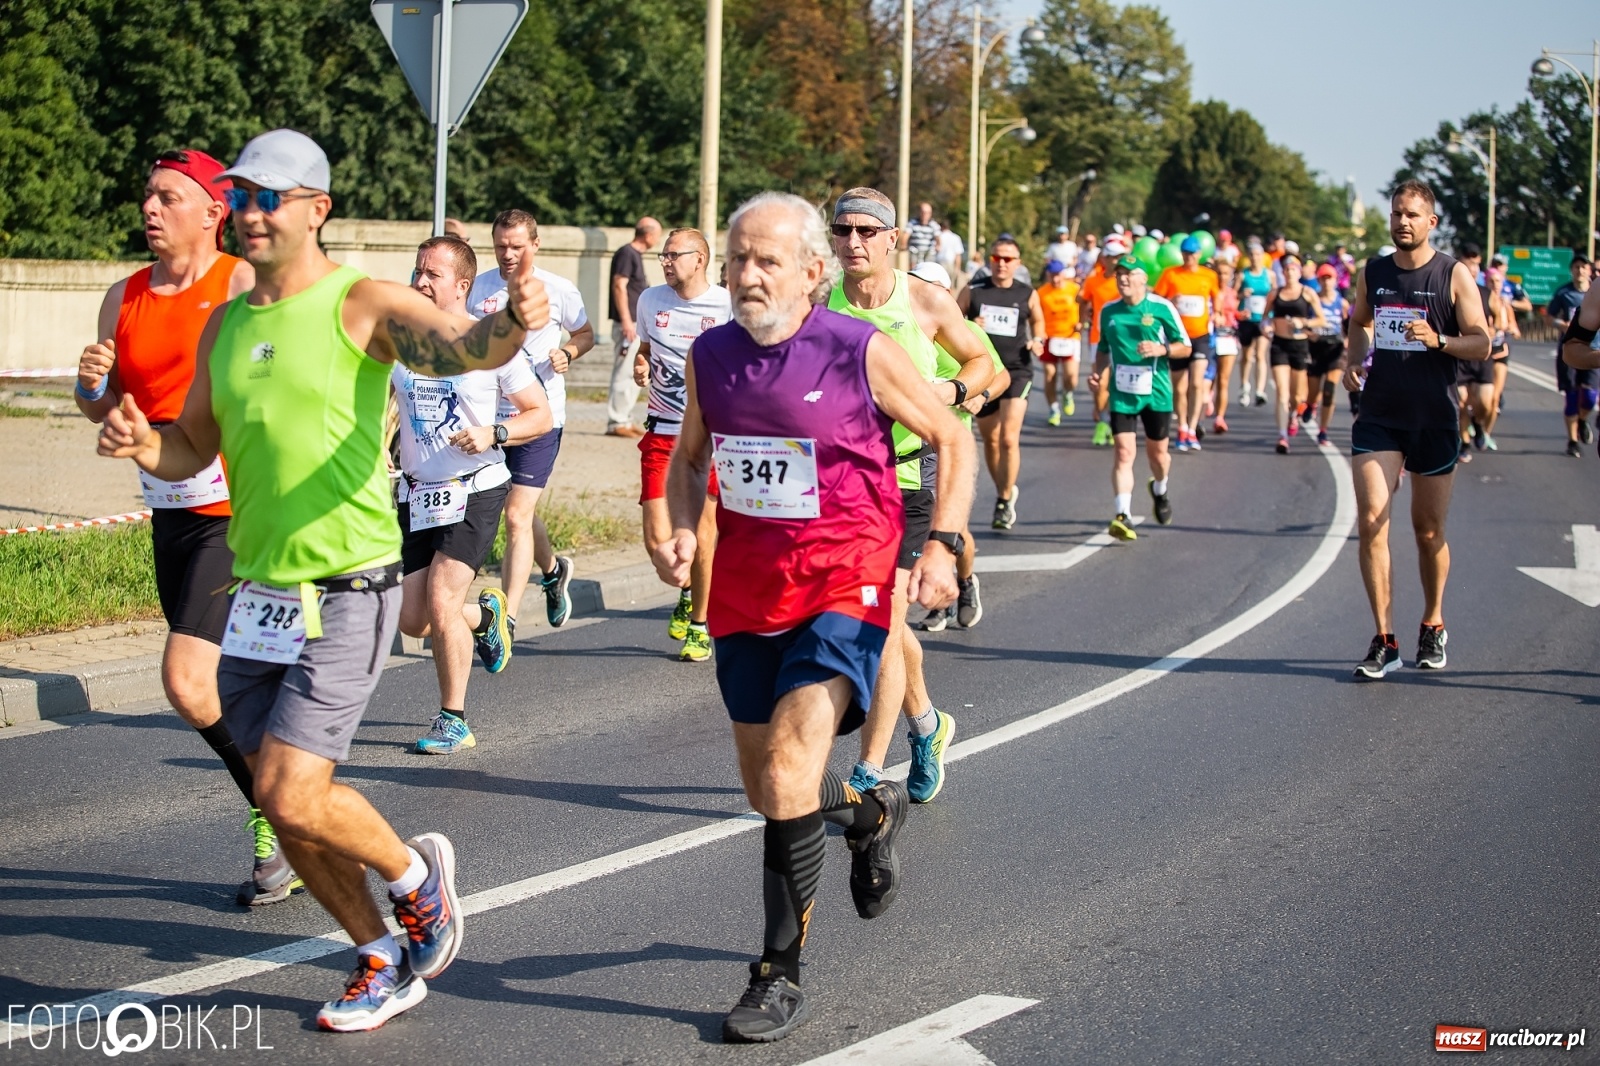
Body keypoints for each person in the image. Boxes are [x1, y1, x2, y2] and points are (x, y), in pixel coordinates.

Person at [96, 129, 551, 1030]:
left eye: (271, 197)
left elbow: (464, 349)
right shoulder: (229, 323)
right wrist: (144, 442)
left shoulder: (360, 302)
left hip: (347, 586)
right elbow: (192, 445)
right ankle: (379, 954)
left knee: (290, 790)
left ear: (316, 210)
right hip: (256, 594)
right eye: (243, 195)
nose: (252, 212)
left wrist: (514, 322)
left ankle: (415, 877)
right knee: (283, 801)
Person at [651, 191, 973, 1043]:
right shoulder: (712, 354)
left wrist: (943, 545)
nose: (748, 275)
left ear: (810, 272)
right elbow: (689, 458)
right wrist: (680, 524)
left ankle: (776, 973)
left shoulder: (857, 350)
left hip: (846, 578)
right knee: (770, 787)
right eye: (738, 260)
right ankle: (871, 814)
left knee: (793, 769)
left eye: (767, 261)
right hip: (746, 590)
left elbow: (951, 436)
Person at [73, 148, 279, 906]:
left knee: (188, 683)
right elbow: (104, 406)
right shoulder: (122, 296)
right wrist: (92, 386)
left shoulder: (242, 284)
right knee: (216, 686)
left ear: (212, 210)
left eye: (168, 196)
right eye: (147, 195)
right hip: (170, 510)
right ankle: (287, 797)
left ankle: (279, 813)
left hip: (238, 513)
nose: (150, 208)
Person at [826, 187, 998, 807]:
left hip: (906, 478)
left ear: (892, 239)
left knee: (883, 623)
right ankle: (928, 726)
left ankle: (869, 769)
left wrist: (950, 392)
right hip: (843, 481)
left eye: (867, 231)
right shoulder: (822, 304)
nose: (854, 241)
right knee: (878, 623)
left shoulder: (925, 299)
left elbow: (983, 362)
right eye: (843, 230)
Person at [396, 237, 552, 755]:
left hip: (475, 489)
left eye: (433, 274)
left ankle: (453, 719)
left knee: (442, 599)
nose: (421, 281)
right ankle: (487, 619)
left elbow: (540, 414)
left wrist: (495, 433)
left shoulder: (491, 345)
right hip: (417, 494)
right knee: (413, 619)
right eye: (418, 271)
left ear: (462, 285)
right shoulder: (402, 341)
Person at [1343, 180, 1491, 680]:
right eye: (1396, 213)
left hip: (1434, 416)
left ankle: (1433, 621)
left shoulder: (1452, 274)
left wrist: (1439, 339)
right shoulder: (1374, 272)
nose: (1402, 222)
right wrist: (1353, 361)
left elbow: (1482, 342)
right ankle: (1384, 638)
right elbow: (1360, 322)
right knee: (1371, 521)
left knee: (1428, 531)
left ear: (1431, 222)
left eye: (1411, 215)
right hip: (1380, 415)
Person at [468, 211, 594, 637]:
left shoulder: (559, 289)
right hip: (486, 420)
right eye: (500, 246)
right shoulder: (478, 288)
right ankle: (554, 571)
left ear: (535, 245)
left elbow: (585, 333)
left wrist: (568, 353)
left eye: (517, 246)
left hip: (540, 419)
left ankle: (506, 620)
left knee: (517, 515)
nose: (508, 254)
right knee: (513, 509)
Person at [632, 227, 731, 661]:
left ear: (700, 259)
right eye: (664, 256)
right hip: (662, 433)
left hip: (710, 438)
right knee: (659, 543)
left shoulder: (727, 306)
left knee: (703, 536)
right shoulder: (650, 300)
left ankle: (699, 626)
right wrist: (641, 365)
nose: (666, 262)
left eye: (674, 255)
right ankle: (688, 591)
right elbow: (644, 349)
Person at [908, 260, 1008, 633]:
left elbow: (1000, 374)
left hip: (949, 445)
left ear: (945, 293)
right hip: (910, 444)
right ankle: (939, 603)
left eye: (927, 286)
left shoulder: (965, 330)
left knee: (953, 527)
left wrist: (979, 396)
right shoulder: (900, 325)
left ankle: (965, 583)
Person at [1090, 255, 1189, 540]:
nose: (1123, 278)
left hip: (1156, 392)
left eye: (1129, 273)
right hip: (1122, 392)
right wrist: (1098, 374)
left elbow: (1185, 346)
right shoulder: (1109, 311)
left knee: (1158, 456)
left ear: (1143, 279)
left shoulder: (1161, 307)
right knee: (1123, 452)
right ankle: (1123, 514)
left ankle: (1160, 488)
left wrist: (1163, 350)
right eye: (1119, 273)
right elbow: (1103, 349)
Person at [960, 236, 1045, 530]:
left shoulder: (1027, 293)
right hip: (983, 372)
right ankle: (1003, 489)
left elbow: (1038, 322)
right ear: (990, 260)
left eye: (1008, 259)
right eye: (997, 258)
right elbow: (951, 321)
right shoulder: (974, 290)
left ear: (1017, 263)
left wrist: (1038, 340)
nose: (1002, 264)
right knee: (991, 440)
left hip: (1017, 370)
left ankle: (1004, 499)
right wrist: (970, 325)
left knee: (1008, 438)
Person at [1153, 236, 1220, 452]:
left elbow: (1216, 298)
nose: (1189, 257)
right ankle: (1182, 427)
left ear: (1199, 254)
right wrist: (1170, 302)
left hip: (1200, 336)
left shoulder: (1209, 275)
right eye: (1185, 253)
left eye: (1192, 253)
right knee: (1179, 387)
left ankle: (1192, 428)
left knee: (1197, 383)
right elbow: (1156, 300)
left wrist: (1218, 314)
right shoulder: (1171, 274)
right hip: (1177, 337)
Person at [1264, 254, 1326, 454]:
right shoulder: (1275, 293)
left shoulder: (1307, 293)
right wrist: (1266, 327)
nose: (1290, 273)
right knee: (1282, 392)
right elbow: (1265, 318)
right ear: (1283, 273)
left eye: (1293, 269)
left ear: (1299, 273)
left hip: (1299, 346)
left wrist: (1303, 322)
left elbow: (1321, 320)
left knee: (1297, 395)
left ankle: (1293, 414)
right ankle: (1282, 436)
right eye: (1287, 270)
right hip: (1279, 344)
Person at [606, 216, 661, 437]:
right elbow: (619, 286)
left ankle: (625, 420)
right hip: (628, 325)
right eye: (657, 235)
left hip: (635, 324)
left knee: (633, 372)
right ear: (648, 234)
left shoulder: (634, 255)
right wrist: (627, 321)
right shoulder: (627, 253)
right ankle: (616, 421)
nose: (658, 240)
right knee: (624, 372)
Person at [1079, 237, 1126, 445]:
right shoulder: (1093, 280)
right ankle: (1102, 422)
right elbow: (1082, 300)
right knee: (1101, 382)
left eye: (1119, 257)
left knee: (1119, 383)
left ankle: (1115, 423)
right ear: (1104, 258)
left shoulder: (1125, 281)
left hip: (1123, 340)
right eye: (1112, 257)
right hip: (1098, 338)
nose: (1115, 261)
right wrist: (1082, 320)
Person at [1548, 254, 1595, 457]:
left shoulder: (1596, 291)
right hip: (1570, 350)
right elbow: (1549, 317)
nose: (1580, 270)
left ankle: (1583, 420)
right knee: (1572, 397)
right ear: (1572, 270)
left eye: (1584, 267)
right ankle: (1572, 441)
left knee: (1590, 398)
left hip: (1594, 350)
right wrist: (1562, 325)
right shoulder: (1563, 293)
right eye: (1576, 267)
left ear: (1589, 271)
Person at [1304, 263, 1349, 446]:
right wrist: (1310, 335)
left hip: (1335, 349)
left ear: (1335, 280)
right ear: (1319, 280)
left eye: (1330, 278)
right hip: (1316, 348)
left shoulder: (1342, 303)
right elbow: (1304, 324)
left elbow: (1349, 326)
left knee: (1329, 389)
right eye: (1323, 278)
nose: (1326, 282)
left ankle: (1323, 430)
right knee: (1313, 391)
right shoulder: (1313, 301)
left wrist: (1348, 340)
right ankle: (1310, 404)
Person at [1038, 258, 1082, 426]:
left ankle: (1067, 393)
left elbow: (1085, 306)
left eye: (1058, 275)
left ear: (1063, 274)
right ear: (1048, 275)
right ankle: (1054, 409)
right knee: (1050, 375)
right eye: (1052, 275)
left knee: (1071, 377)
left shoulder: (1074, 289)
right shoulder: (1042, 293)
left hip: (1070, 337)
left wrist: (1081, 322)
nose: (1055, 279)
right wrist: (1039, 334)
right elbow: (1036, 315)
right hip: (1049, 338)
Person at [1238, 243, 1274, 407]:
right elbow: (1232, 295)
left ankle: (1260, 390)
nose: (1255, 258)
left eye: (1258, 255)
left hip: (1263, 320)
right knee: (1247, 355)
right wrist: (1242, 294)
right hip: (1247, 319)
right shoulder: (1243, 275)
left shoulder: (1269, 275)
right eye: (1252, 255)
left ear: (1262, 256)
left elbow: (1275, 295)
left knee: (1260, 354)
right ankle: (1244, 386)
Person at [1210, 260, 1241, 434]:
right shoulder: (1209, 291)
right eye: (1219, 273)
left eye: (1226, 273)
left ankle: (1219, 418)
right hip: (1210, 337)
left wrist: (1241, 315)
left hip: (1228, 337)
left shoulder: (1232, 293)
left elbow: (1234, 314)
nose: (1223, 277)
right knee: (1207, 379)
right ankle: (1205, 403)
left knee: (1223, 380)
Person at [904, 201, 939, 266]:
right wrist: (904, 245)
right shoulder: (912, 223)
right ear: (919, 212)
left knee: (929, 266)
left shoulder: (933, 225)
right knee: (913, 266)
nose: (925, 215)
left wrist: (938, 246)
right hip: (915, 250)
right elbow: (906, 235)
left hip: (928, 252)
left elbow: (938, 237)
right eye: (923, 212)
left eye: (927, 213)